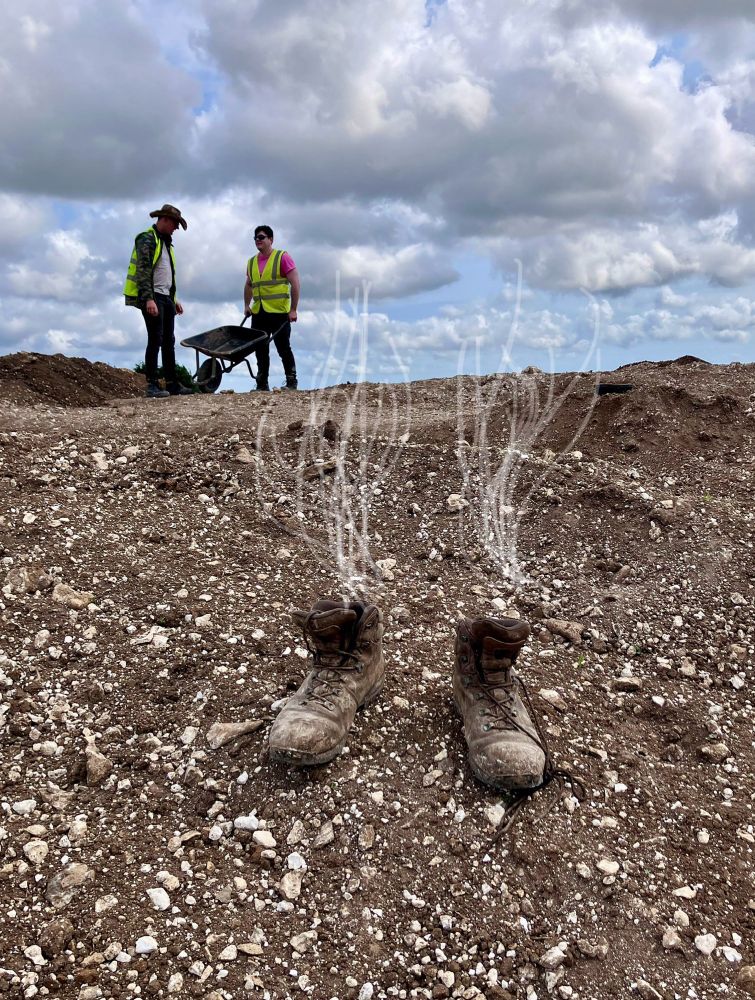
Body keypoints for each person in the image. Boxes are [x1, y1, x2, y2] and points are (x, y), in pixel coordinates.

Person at [124, 204, 192, 398]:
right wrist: (148, 299)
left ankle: (172, 383)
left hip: (165, 297)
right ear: (164, 220)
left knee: (168, 340)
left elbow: (166, 274)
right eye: (175, 224)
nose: (176, 228)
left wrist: (174, 299)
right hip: (152, 297)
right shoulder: (147, 239)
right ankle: (152, 384)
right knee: (156, 338)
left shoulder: (166, 242)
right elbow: (143, 271)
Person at [243, 225, 299, 391]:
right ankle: (262, 384)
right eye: (256, 238)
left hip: (279, 312)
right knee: (260, 348)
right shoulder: (252, 262)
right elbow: (248, 285)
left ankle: (291, 381)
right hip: (259, 312)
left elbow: (295, 283)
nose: (258, 240)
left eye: (261, 237)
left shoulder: (282, 257)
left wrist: (293, 309)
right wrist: (247, 305)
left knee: (283, 347)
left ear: (271, 239)